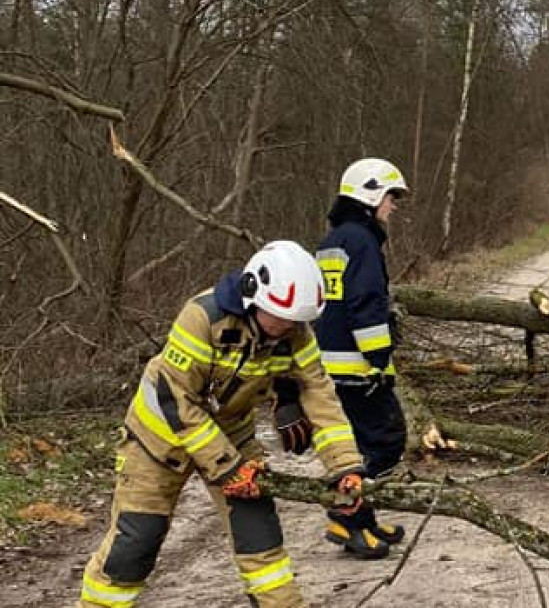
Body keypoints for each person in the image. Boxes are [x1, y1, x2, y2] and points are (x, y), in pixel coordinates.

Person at [79, 241, 372, 608]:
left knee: (260, 536)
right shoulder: (203, 317)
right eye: (280, 319)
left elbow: (320, 395)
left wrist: (344, 467)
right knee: (136, 543)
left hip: (232, 435)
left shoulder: (294, 333)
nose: (286, 329)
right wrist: (227, 467)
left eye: (296, 322)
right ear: (254, 295)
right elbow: (178, 399)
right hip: (158, 441)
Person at [314, 157, 409, 558]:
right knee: (387, 441)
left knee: (357, 446)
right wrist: (380, 359)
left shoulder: (332, 241)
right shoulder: (364, 242)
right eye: (391, 197)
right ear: (371, 195)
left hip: (330, 366)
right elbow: (366, 304)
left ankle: (364, 517)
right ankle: (348, 515)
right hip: (357, 366)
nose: (394, 206)